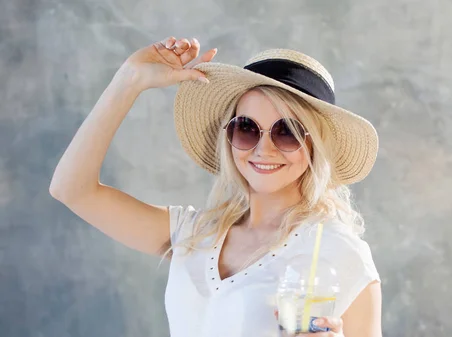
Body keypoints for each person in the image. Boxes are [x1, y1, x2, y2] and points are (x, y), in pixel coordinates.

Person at [49, 36, 382, 337]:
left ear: (315, 146)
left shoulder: (339, 252)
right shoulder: (194, 234)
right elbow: (71, 189)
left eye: (287, 132)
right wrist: (128, 82)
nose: (263, 149)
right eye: (248, 128)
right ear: (229, 137)